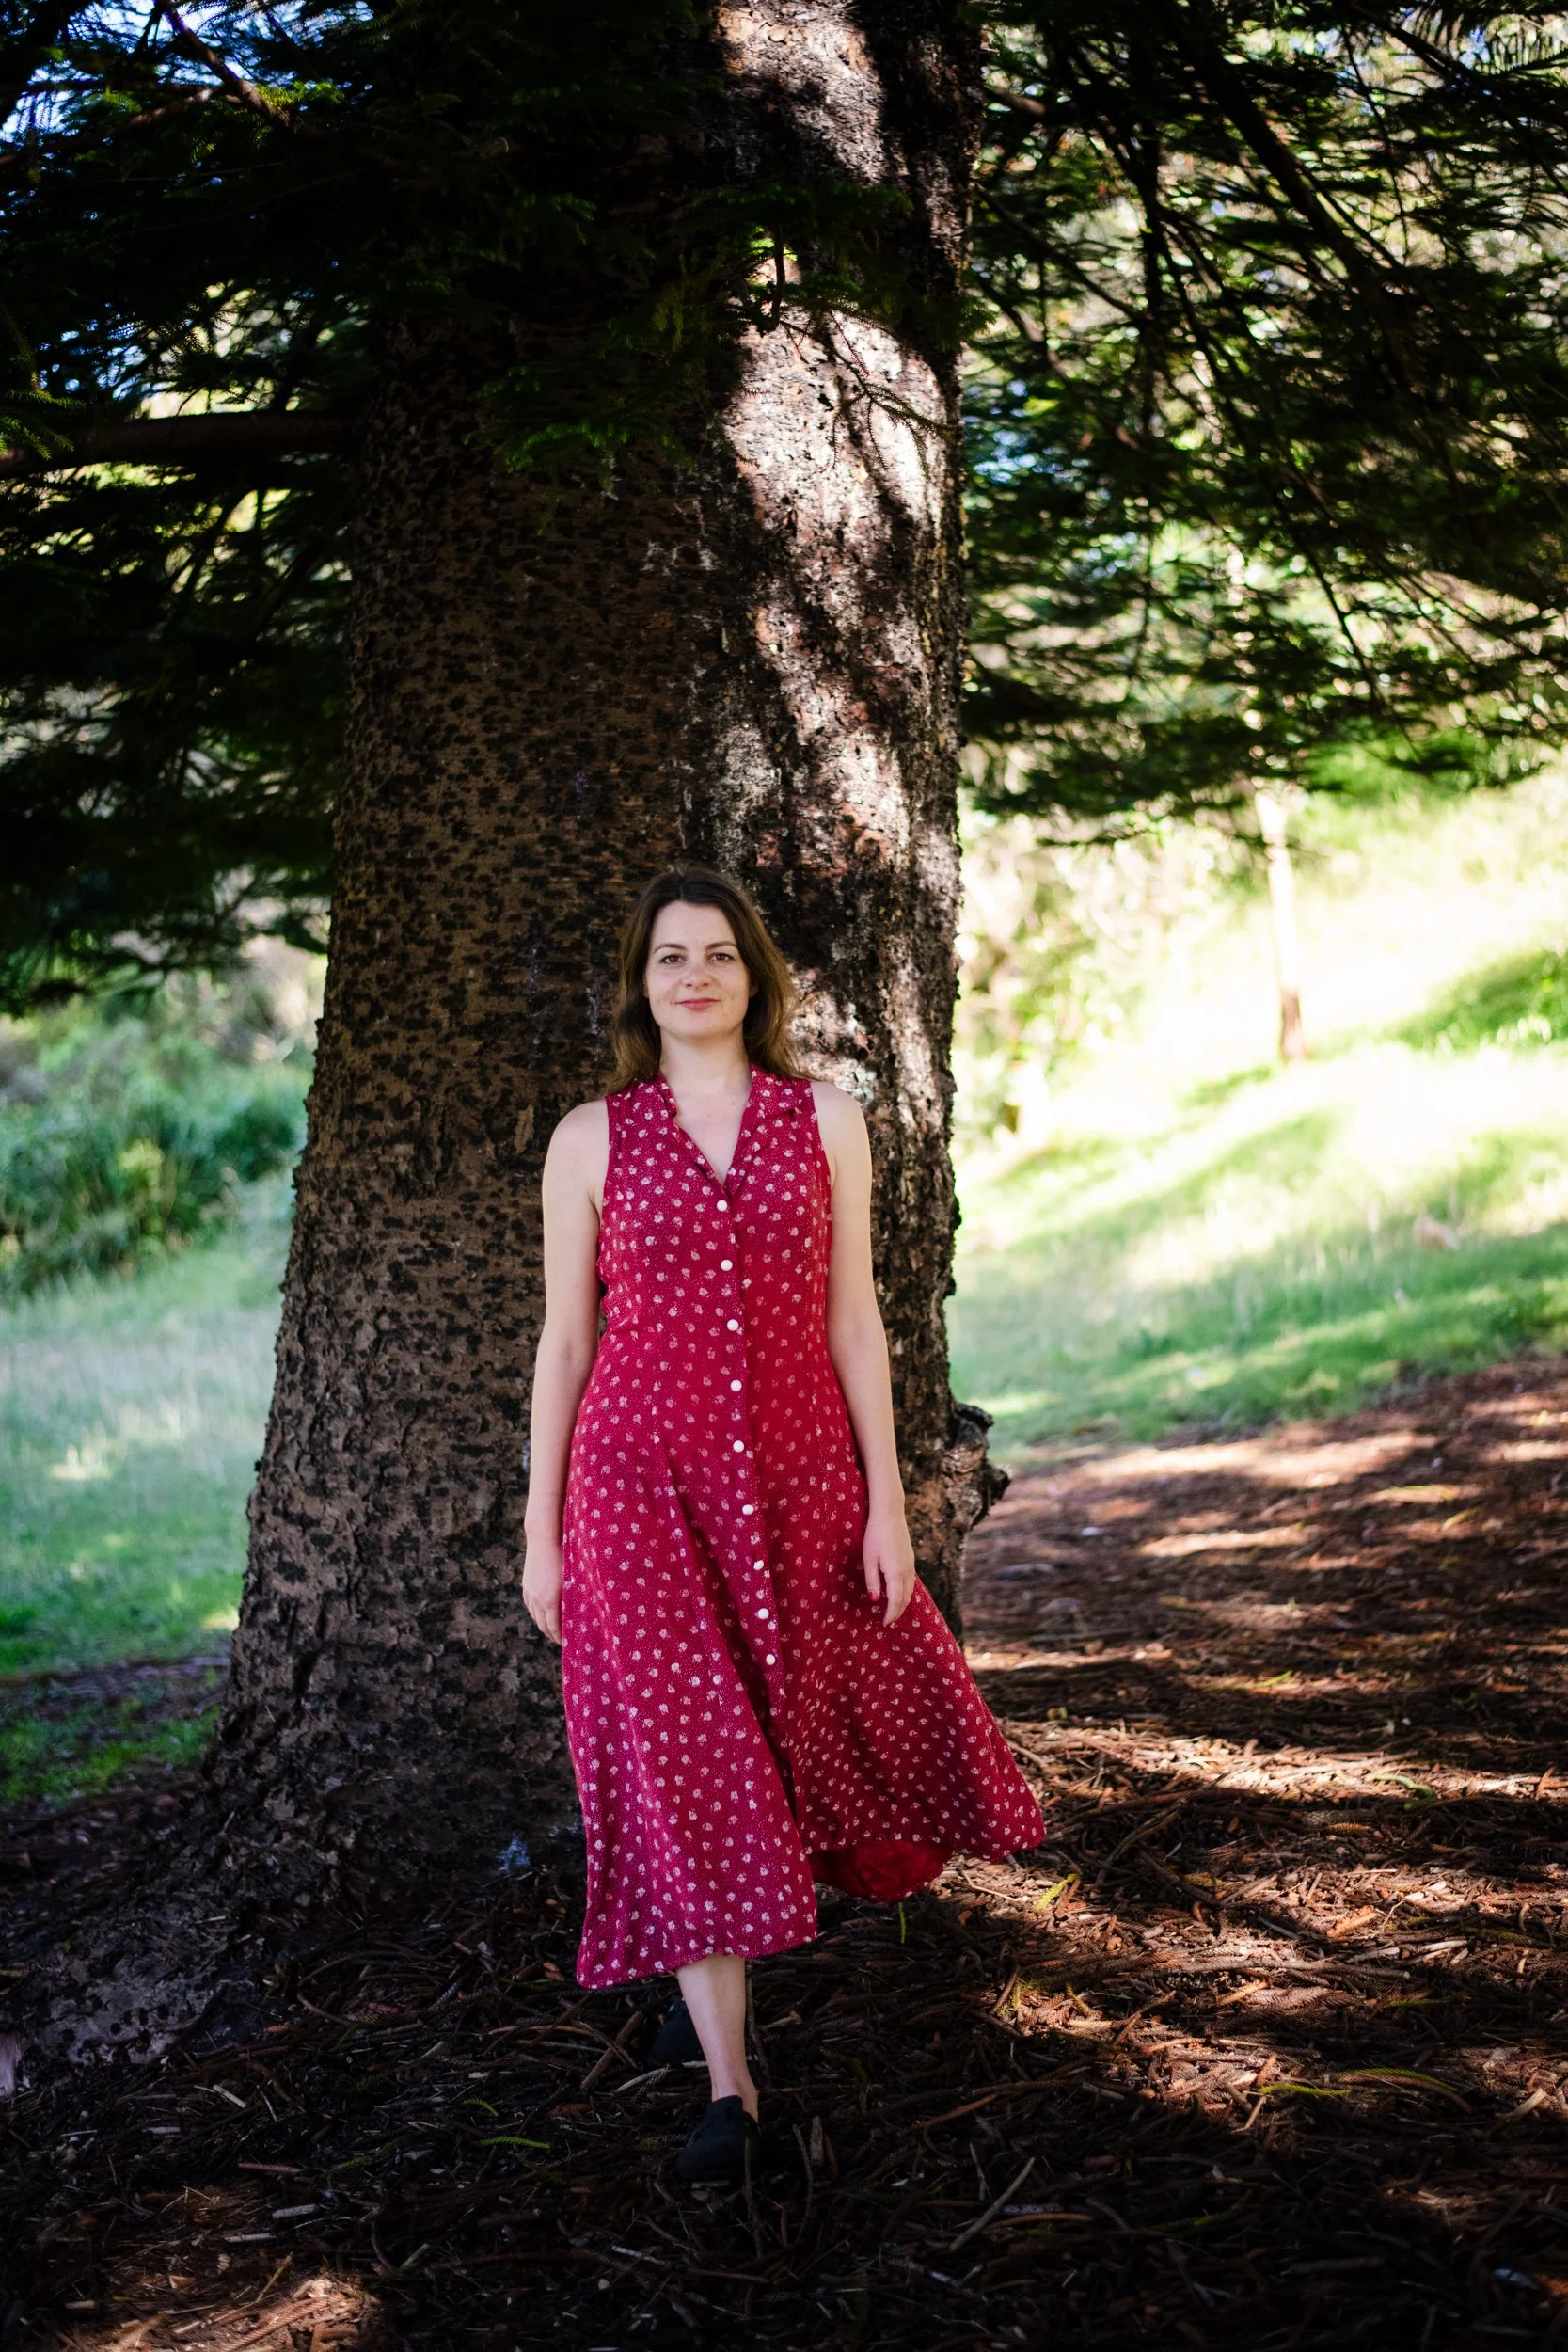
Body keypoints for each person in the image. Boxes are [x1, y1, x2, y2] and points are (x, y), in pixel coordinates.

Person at [522, 866, 1044, 2185]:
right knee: (685, 1758)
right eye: (666, 958)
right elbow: (565, 1342)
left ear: (754, 978)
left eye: (715, 955)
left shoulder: (825, 1120)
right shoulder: (591, 1137)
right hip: (638, 1491)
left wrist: (887, 1501)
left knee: (804, 1725)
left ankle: (704, 1979)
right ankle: (729, 2088)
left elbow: (855, 1319)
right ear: (641, 987)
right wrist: (542, 1537)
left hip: (802, 1478)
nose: (691, 975)